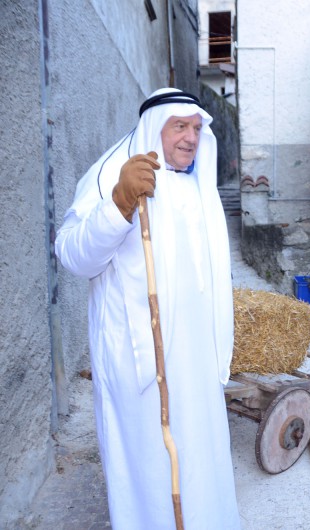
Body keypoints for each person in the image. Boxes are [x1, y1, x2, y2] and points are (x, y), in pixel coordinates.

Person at [56, 88, 240, 529]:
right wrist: (118, 204)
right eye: (180, 126)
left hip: (195, 362)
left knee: (201, 461)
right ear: (154, 129)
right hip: (139, 360)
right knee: (150, 468)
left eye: (196, 128)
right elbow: (72, 255)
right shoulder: (110, 173)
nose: (191, 138)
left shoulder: (197, 184)